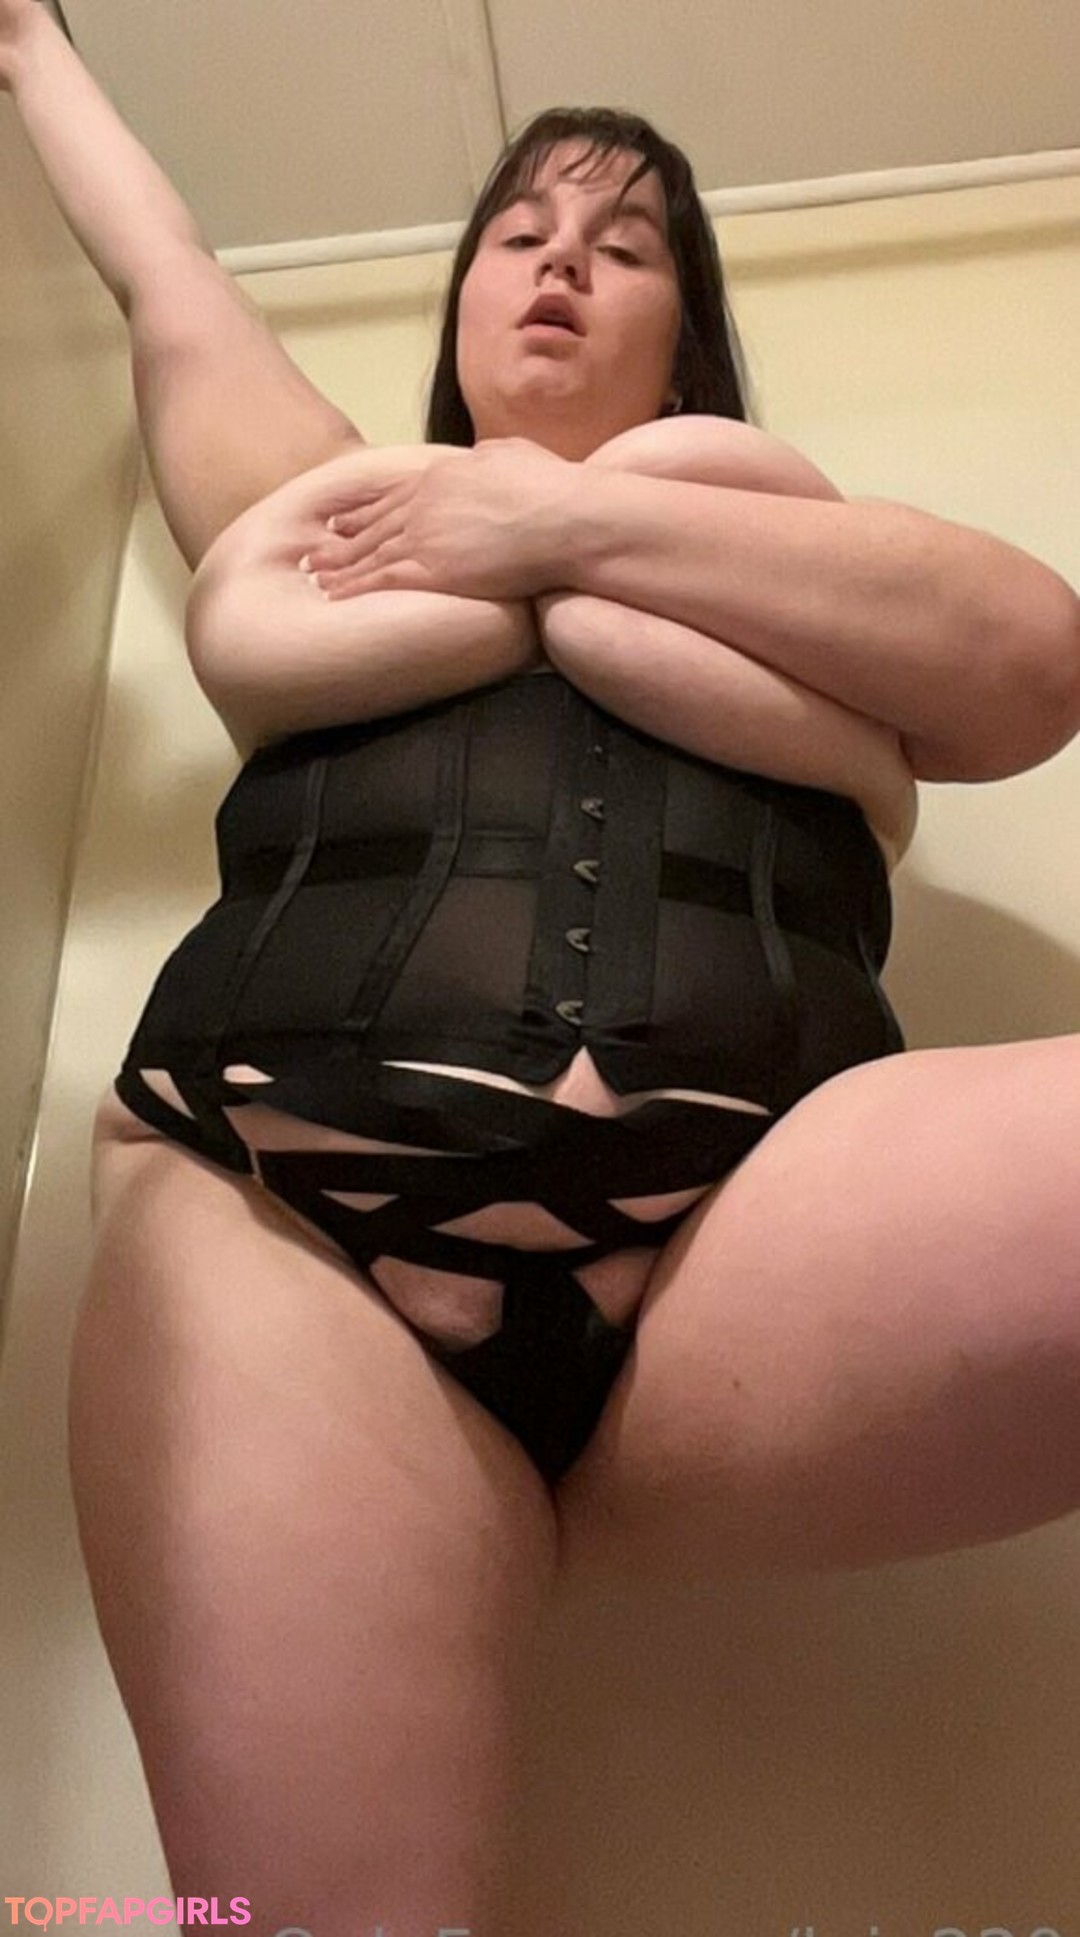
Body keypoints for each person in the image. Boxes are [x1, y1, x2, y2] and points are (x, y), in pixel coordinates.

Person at [4, 2, 1080, 1929]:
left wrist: (564, 513)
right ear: (462, 306)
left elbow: (1031, 660)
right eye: (518, 229)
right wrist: (27, 42)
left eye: (626, 239)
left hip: (759, 1251)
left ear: (689, 326)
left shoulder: (811, 566)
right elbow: (165, 277)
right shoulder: (327, 513)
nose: (563, 258)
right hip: (280, 1226)